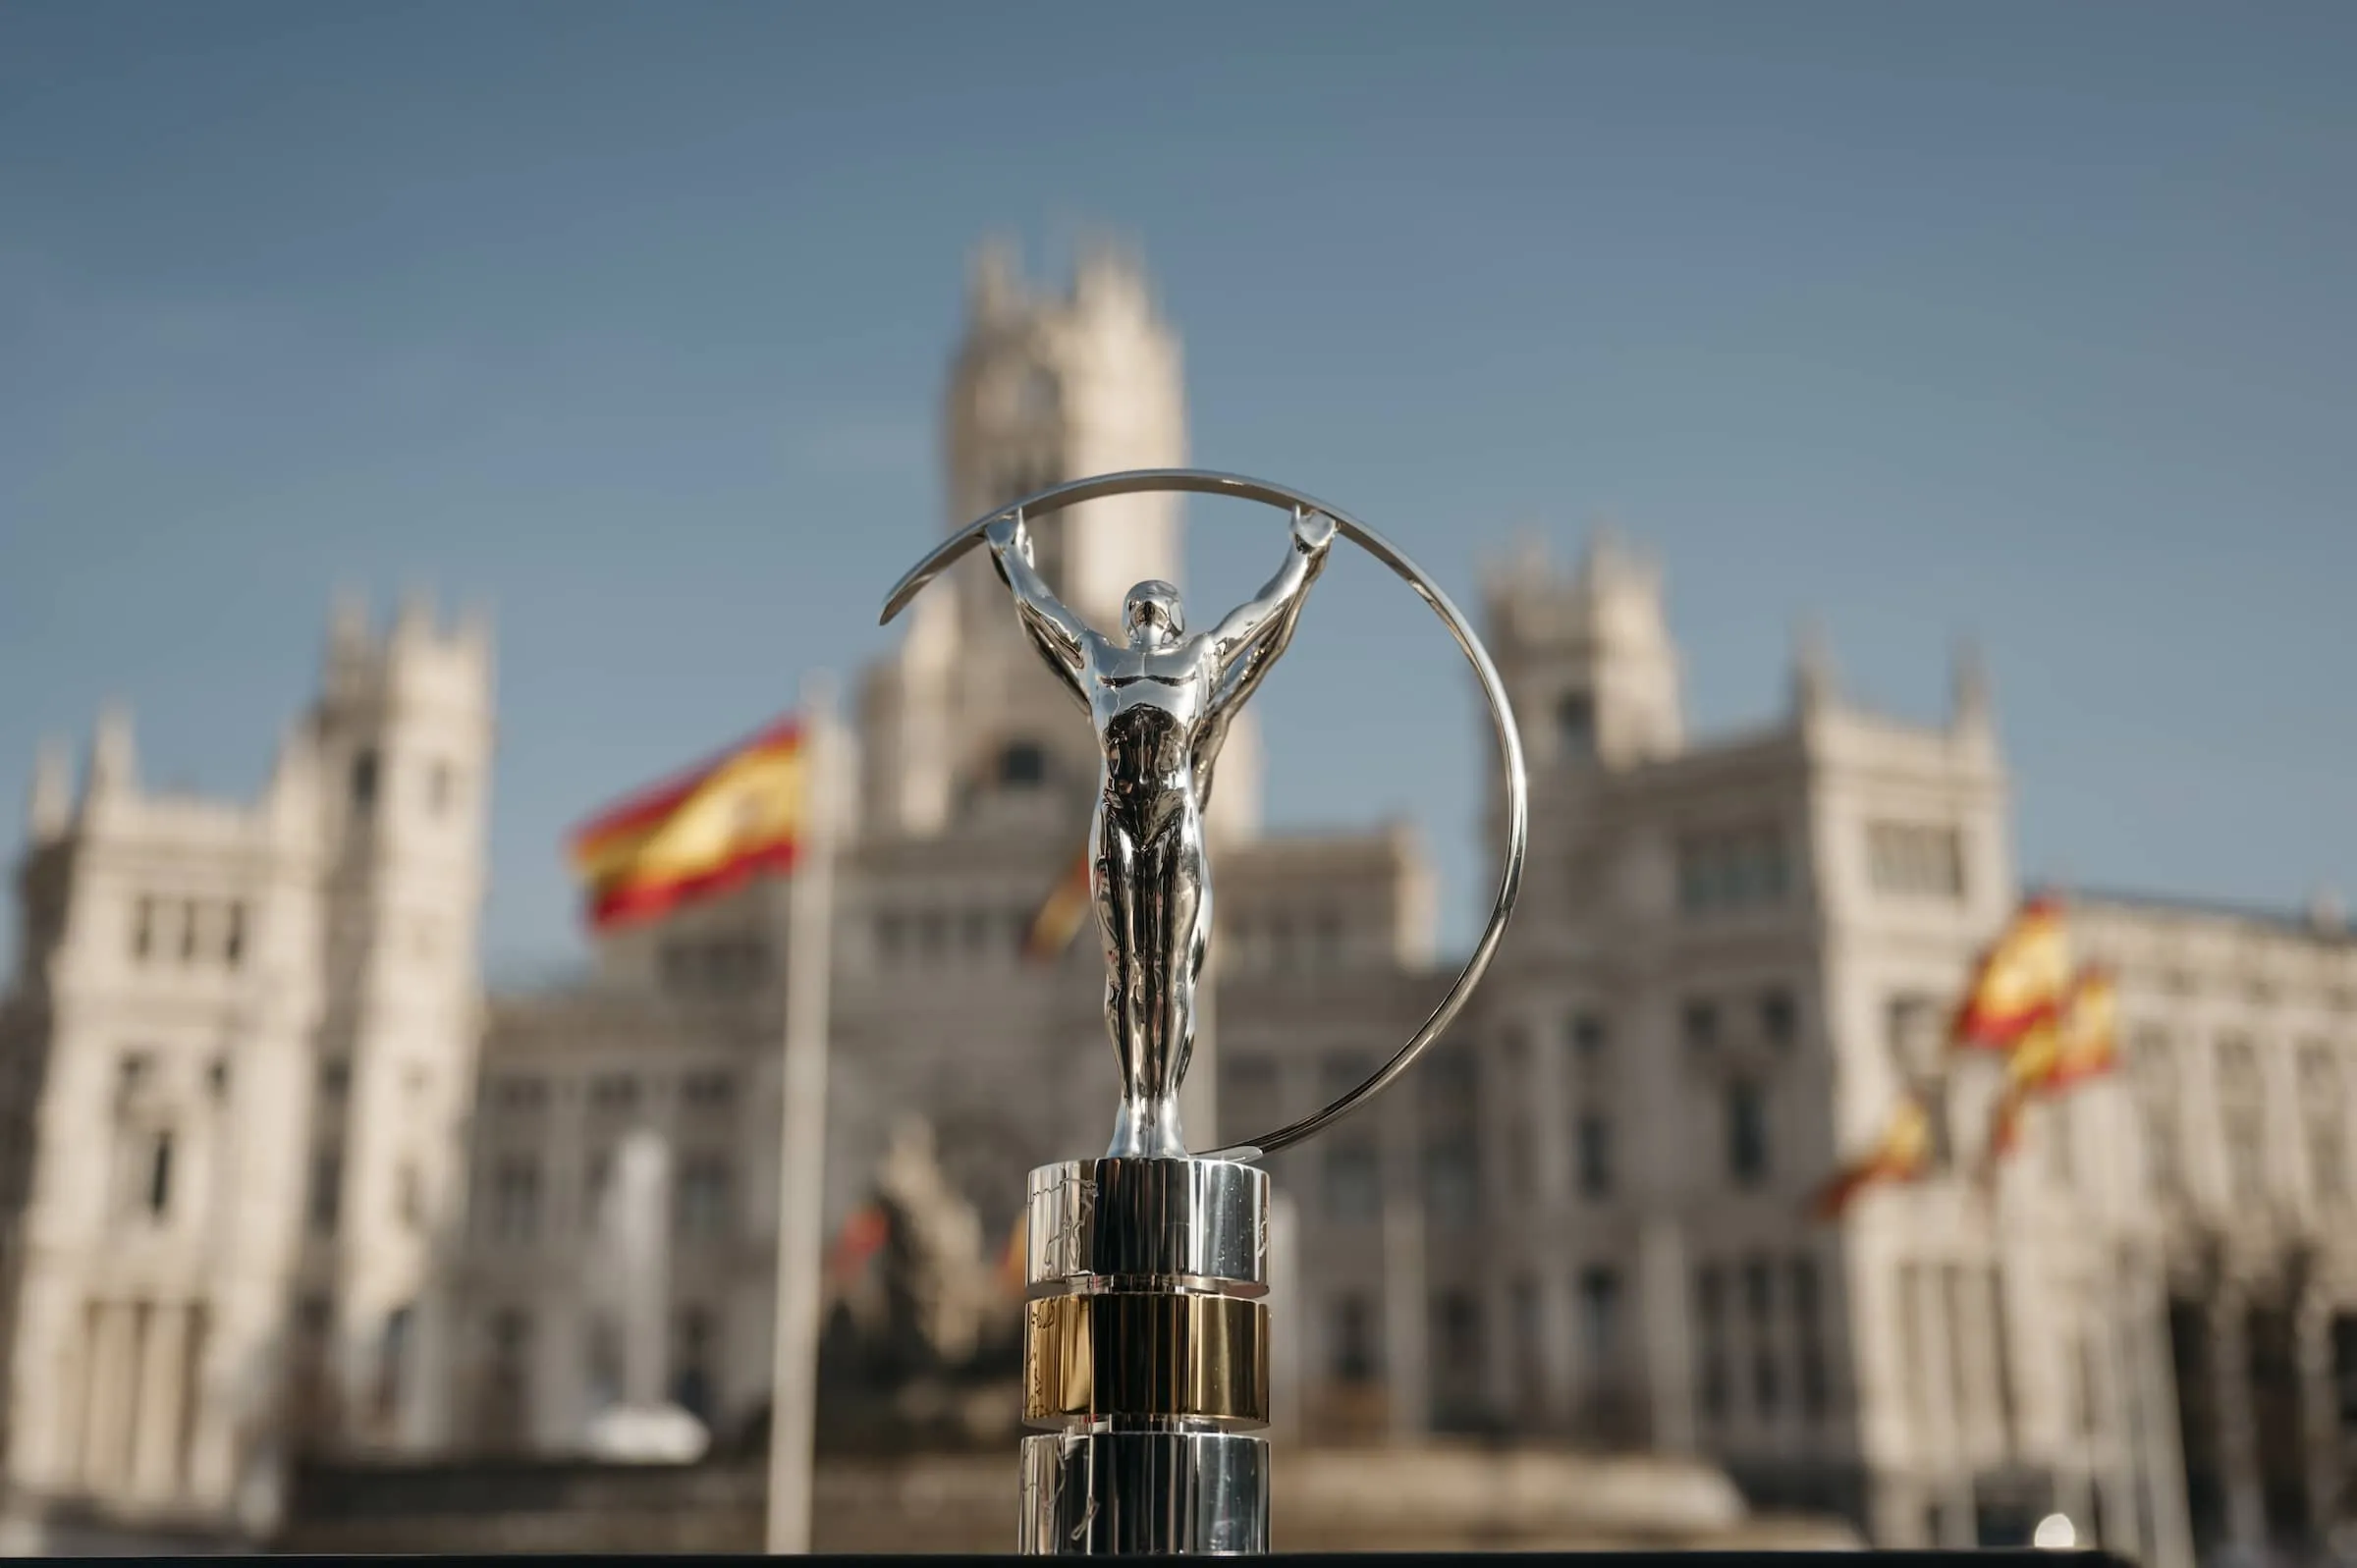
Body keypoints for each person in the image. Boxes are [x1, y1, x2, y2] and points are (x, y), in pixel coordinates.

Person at [984, 506, 1336, 1158]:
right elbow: (1042, 617)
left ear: (1175, 619)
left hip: (1174, 823)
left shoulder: (1198, 663)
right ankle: (1134, 1108)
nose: (1147, 611)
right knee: (1125, 973)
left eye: (1158, 604)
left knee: (1170, 974)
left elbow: (1261, 621)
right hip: (1116, 821)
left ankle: (1164, 1111)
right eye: (1138, 605)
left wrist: (1302, 557)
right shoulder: (1100, 663)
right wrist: (1011, 555)